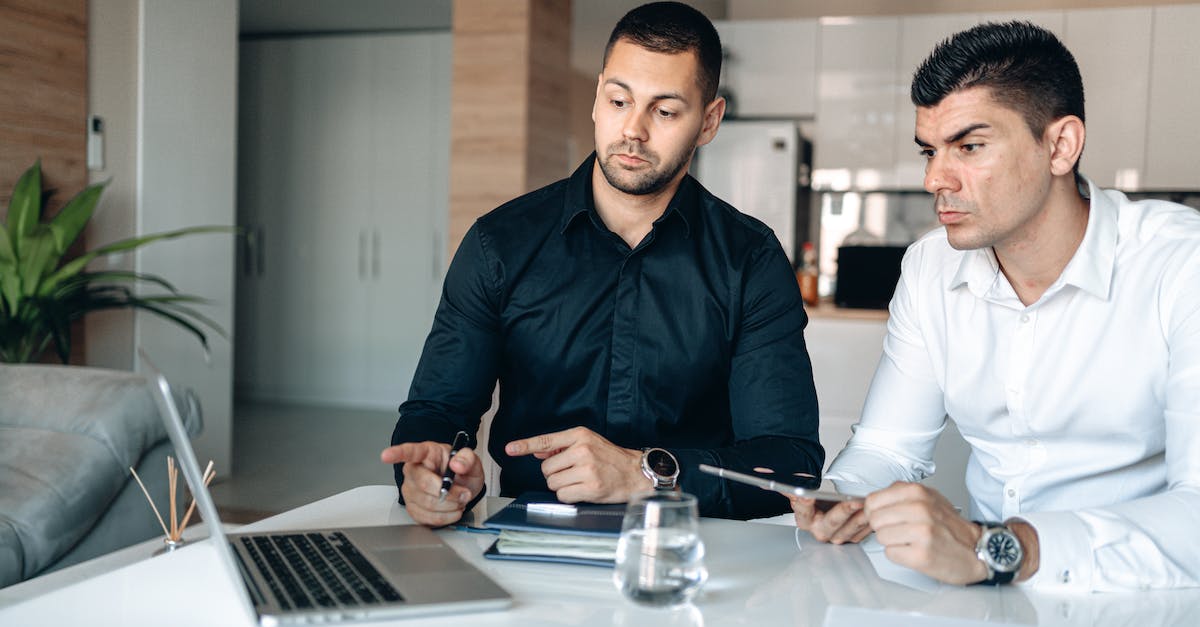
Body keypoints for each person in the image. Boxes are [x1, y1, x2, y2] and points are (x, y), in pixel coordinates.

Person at [793, 21, 1200, 591]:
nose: (935, 177)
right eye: (930, 151)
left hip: (1145, 598)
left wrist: (1003, 548)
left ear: (1060, 146)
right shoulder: (930, 267)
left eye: (970, 146)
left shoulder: (1182, 266)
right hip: (985, 594)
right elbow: (887, 447)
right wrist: (845, 497)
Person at [381, 2, 822, 527]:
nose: (632, 130)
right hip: (527, 541)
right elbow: (438, 410)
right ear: (596, 100)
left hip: (689, 556)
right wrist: (437, 476)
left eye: (664, 111)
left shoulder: (751, 259)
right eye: (619, 100)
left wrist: (647, 473)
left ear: (708, 122)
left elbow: (789, 466)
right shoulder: (498, 244)